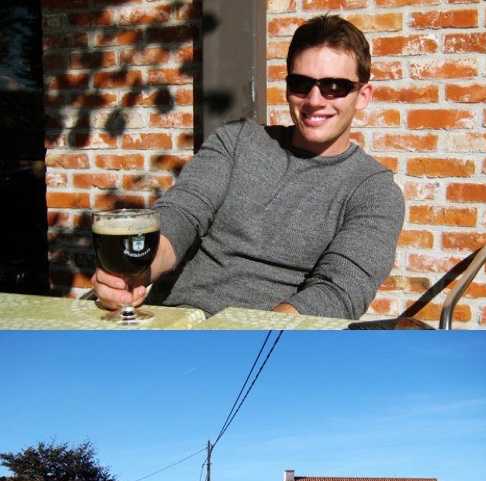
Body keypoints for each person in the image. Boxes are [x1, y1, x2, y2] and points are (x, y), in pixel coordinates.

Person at [91, 15, 404, 319]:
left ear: (363, 95)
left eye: (334, 86)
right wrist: (140, 270)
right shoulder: (237, 141)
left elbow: (338, 291)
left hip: (269, 344)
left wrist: (251, 337)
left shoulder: (375, 191)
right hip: (178, 321)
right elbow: (182, 213)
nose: (314, 100)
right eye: (301, 83)